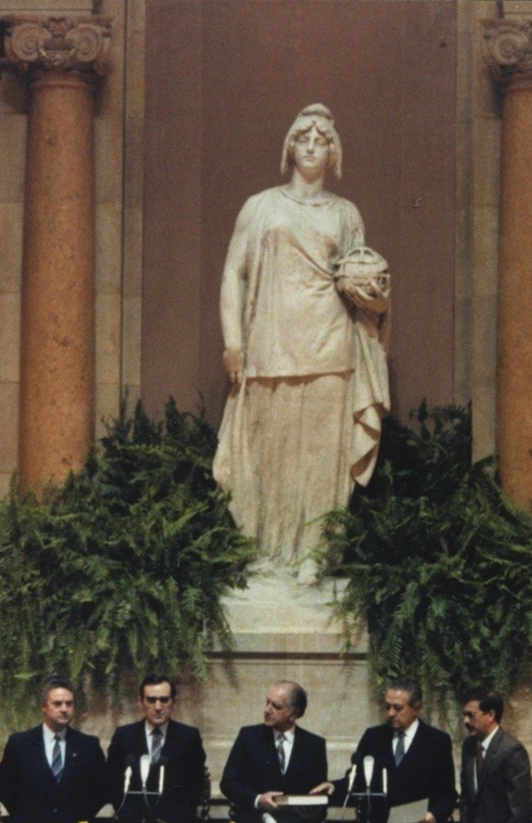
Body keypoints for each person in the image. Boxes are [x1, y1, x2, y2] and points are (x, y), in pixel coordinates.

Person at [213, 103, 391, 581]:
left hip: (331, 346)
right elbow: (233, 272)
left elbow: (364, 282)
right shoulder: (260, 206)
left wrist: (374, 294)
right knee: (267, 453)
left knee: (321, 460)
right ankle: (268, 552)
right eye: (303, 138)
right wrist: (233, 341)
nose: (312, 146)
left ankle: (315, 553)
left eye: (322, 140)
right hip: (269, 343)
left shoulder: (345, 213)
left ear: (333, 152)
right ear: (289, 147)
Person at [322, 678, 457, 823]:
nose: (391, 713)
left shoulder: (436, 741)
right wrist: (334, 786)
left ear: (416, 708)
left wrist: (433, 816)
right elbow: (356, 778)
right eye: (387, 707)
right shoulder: (373, 737)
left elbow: (446, 792)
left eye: (398, 708)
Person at [0, 676, 108, 823]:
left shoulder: (88, 746)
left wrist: (80, 817)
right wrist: (26, 817)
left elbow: (100, 791)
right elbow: (5, 788)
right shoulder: (20, 744)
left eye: (69, 704)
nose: (64, 709)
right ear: (44, 706)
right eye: (57, 704)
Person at [220, 681, 328, 823]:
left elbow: (317, 795)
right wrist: (258, 799)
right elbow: (228, 782)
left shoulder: (314, 745)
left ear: (294, 713)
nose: (266, 710)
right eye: (267, 702)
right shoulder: (249, 737)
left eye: (276, 706)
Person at [106, 673, 207, 823]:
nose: (158, 707)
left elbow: (195, 784)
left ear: (173, 701)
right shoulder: (124, 736)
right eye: (151, 700)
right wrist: (126, 813)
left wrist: (179, 818)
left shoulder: (189, 737)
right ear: (141, 702)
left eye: (164, 700)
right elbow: (112, 781)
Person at [458, 689, 532, 823]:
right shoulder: (469, 746)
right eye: (464, 715)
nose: (466, 721)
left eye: (470, 715)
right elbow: (466, 796)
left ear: (490, 715)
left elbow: (520, 809)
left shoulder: (511, 750)